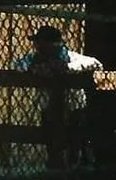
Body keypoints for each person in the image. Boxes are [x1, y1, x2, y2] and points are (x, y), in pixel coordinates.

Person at [16, 24, 103, 169]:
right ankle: (57, 169)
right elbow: (18, 64)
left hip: (73, 107)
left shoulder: (69, 56)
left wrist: (67, 68)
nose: (37, 46)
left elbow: (94, 63)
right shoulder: (35, 58)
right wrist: (35, 68)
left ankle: (75, 168)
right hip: (49, 108)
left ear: (52, 44)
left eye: (40, 42)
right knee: (52, 143)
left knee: (76, 141)